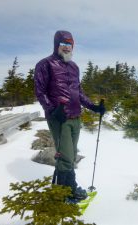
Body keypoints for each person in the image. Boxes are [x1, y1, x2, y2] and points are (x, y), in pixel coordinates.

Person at [34, 30, 105, 202]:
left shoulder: (74, 67)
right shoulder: (45, 64)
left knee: (71, 155)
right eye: (64, 45)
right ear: (56, 45)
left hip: (76, 117)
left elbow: (78, 93)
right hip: (60, 119)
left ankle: (63, 190)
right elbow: (40, 91)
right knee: (65, 156)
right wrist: (52, 110)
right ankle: (66, 193)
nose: (67, 48)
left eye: (70, 45)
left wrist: (93, 107)